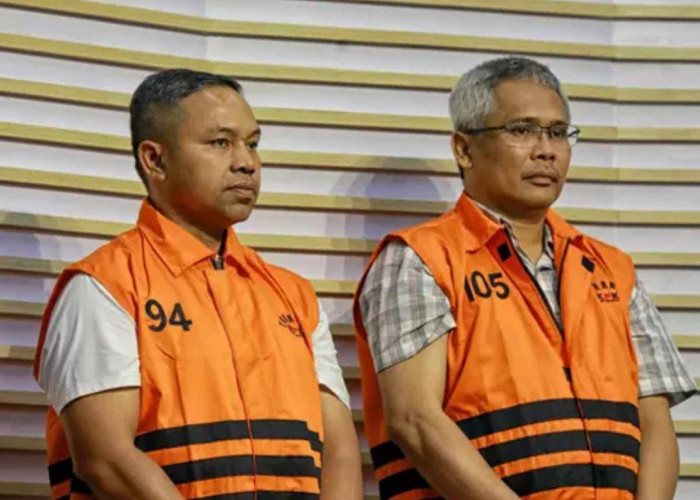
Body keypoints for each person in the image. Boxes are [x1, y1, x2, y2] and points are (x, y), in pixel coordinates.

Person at [354, 56, 696, 500]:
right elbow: (414, 421)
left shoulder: (611, 268)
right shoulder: (420, 259)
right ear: (463, 149)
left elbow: (655, 423)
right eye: (522, 130)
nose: (546, 150)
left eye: (558, 132)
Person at [34, 69, 363, 499]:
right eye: (221, 143)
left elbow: (339, 452)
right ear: (155, 160)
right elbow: (106, 459)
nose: (247, 162)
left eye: (253, 143)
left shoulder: (294, 295)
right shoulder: (103, 286)